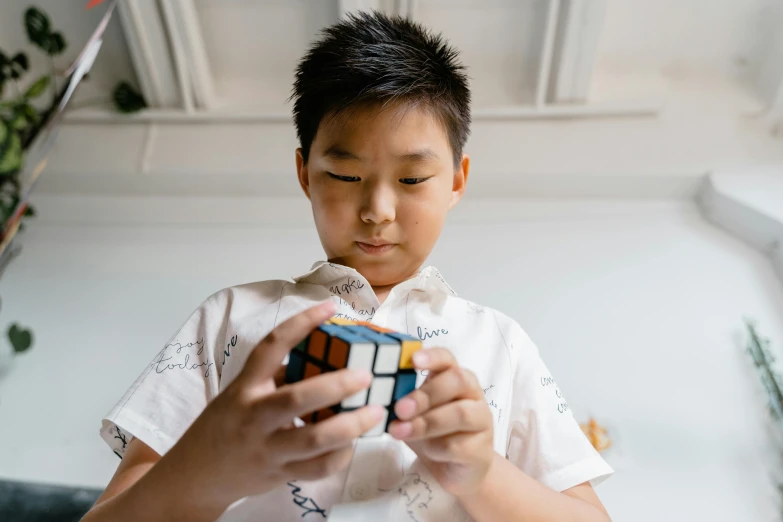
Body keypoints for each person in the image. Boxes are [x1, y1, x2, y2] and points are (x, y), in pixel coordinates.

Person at [81, 11, 613, 522]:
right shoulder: (226, 317)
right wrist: (211, 469)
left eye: (411, 180)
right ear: (305, 174)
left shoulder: (503, 343)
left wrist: (482, 473)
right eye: (344, 176)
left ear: (456, 181)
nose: (378, 211)